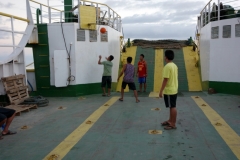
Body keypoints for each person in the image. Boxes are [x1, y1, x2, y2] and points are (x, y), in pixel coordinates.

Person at [159, 50, 178, 130]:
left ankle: (173, 124)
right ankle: (170, 121)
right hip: (174, 89)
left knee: (172, 107)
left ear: (166, 57)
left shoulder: (167, 66)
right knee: (171, 106)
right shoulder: (174, 65)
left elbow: (165, 79)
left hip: (169, 91)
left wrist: (161, 91)